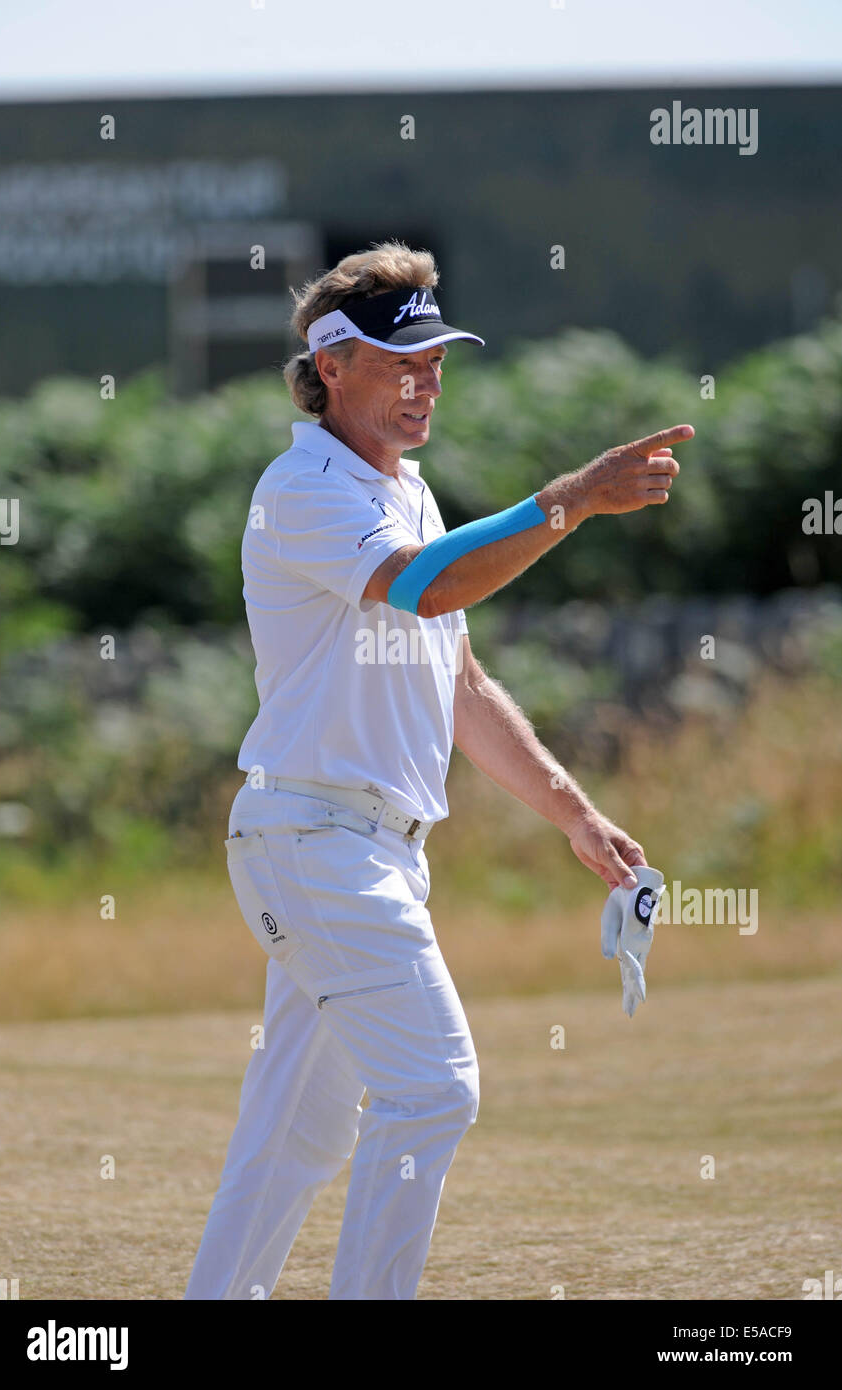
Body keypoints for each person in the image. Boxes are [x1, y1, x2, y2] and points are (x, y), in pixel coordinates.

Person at [184, 240, 693, 1301]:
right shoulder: (302, 486)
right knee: (434, 1090)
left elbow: (457, 684)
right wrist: (571, 500)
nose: (425, 383)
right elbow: (424, 588)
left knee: (297, 1137)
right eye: (398, 360)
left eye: (435, 361)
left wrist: (574, 813)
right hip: (316, 842)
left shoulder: (406, 492)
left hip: (343, 848)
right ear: (331, 367)